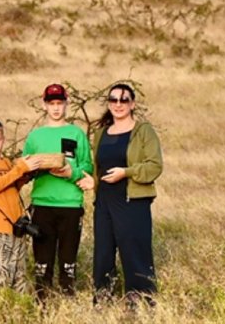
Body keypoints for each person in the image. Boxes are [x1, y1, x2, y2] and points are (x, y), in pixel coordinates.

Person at [77, 83, 163, 308]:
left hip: (131, 200)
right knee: (103, 252)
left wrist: (126, 172)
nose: (118, 104)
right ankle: (103, 300)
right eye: (113, 100)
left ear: (132, 104)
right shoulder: (101, 133)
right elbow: (101, 168)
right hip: (104, 201)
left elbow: (155, 166)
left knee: (134, 249)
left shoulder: (143, 131)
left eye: (123, 100)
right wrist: (93, 182)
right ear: (108, 103)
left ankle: (141, 301)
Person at [22, 83, 93, 300]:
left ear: (66, 104)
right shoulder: (35, 137)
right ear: (44, 105)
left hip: (70, 204)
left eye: (59, 103)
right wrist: (31, 168)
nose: (55, 108)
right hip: (43, 203)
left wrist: (71, 172)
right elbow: (24, 168)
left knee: (68, 258)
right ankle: (42, 299)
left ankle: (67, 297)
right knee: (42, 259)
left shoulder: (76, 133)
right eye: (51, 103)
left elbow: (87, 167)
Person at [0, 118, 44, 293]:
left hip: (17, 225)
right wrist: (20, 167)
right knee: (2, 274)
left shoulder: (6, 162)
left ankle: (19, 311)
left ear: (3, 139)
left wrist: (26, 174)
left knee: (19, 274)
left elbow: (11, 187)